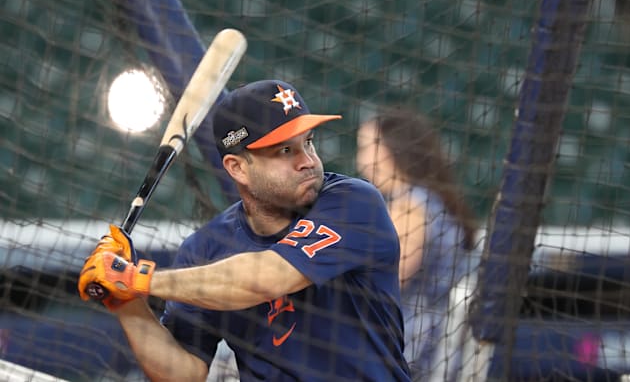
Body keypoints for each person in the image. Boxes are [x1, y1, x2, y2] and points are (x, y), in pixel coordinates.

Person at [78, 79, 411, 382]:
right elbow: (183, 373)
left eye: (308, 142)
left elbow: (267, 277)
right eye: (285, 150)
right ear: (237, 168)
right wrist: (123, 300)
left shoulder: (353, 202)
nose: (307, 160)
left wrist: (138, 278)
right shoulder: (205, 248)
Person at [356, 108, 479, 381]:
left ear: (394, 149)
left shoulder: (410, 207)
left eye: (367, 148)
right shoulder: (429, 200)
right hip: (429, 344)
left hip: (411, 347)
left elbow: (382, 285)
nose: (361, 161)